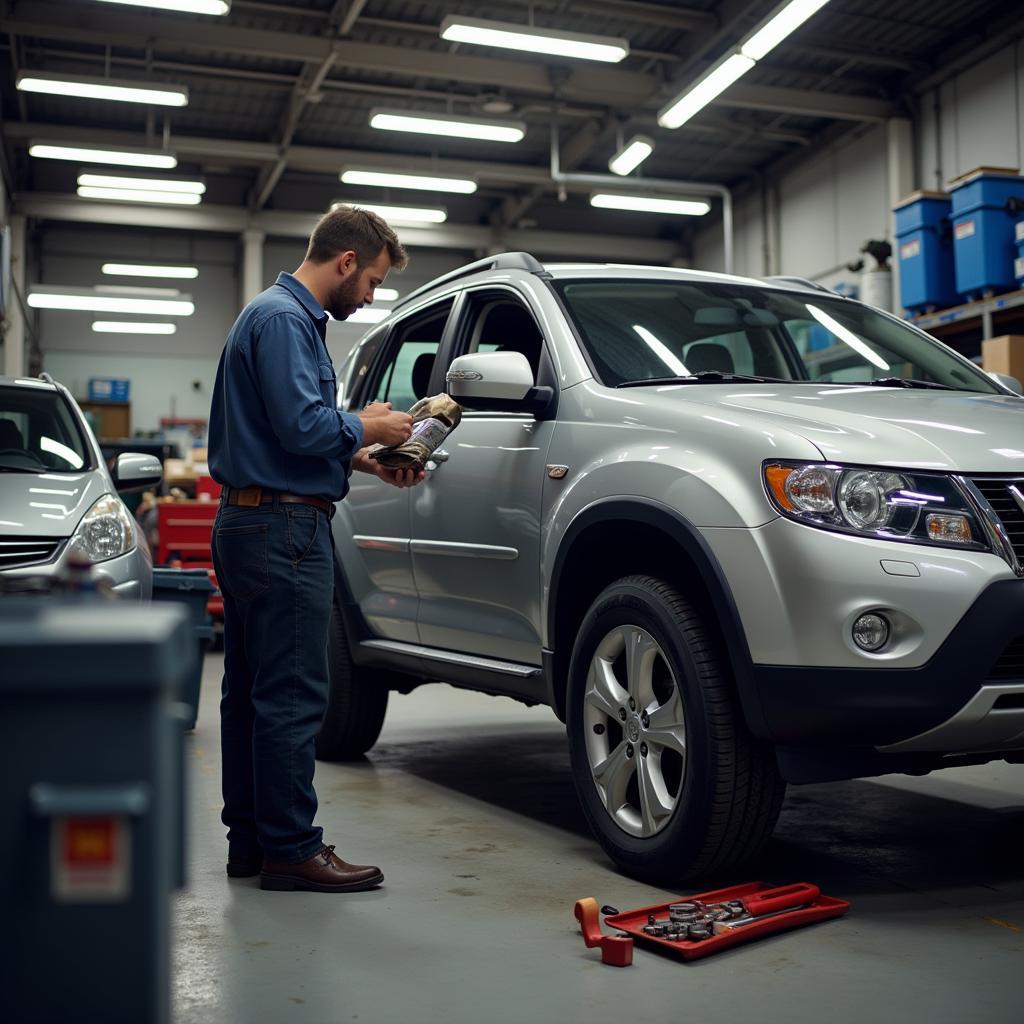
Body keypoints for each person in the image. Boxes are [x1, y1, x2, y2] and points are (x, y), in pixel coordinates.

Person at [208, 205, 423, 893]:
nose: (372, 297)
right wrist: (372, 422)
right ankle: (292, 848)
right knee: (294, 696)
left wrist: (361, 458)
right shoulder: (283, 320)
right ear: (346, 261)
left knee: (251, 694)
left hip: (253, 520)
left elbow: (282, 433)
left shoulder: (275, 317)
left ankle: (254, 841)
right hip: (283, 531)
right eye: (374, 282)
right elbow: (303, 426)